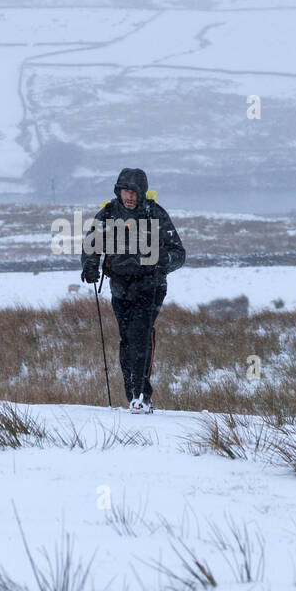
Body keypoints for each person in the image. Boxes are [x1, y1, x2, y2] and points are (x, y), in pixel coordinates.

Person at [81, 168, 185, 413]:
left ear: (142, 193)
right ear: (118, 191)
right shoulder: (107, 214)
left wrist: (163, 260)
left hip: (150, 287)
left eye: (134, 192)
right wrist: (90, 266)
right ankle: (133, 396)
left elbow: (179, 253)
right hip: (120, 286)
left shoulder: (156, 214)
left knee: (140, 335)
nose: (129, 196)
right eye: (125, 191)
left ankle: (141, 395)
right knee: (127, 340)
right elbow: (90, 245)